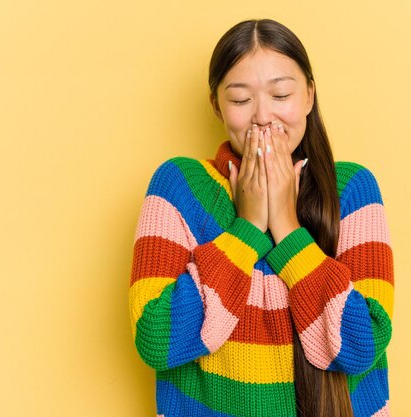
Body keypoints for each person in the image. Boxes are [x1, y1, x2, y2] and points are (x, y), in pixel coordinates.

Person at [128, 18, 394, 417]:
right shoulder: (179, 185)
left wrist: (287, 227)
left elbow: (364, 346)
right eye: (240, 100)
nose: (263, 117)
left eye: (281, 94)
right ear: (216, 105)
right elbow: (156, 337)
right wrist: (247, 228)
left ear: (308, 96)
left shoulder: (353, 190)